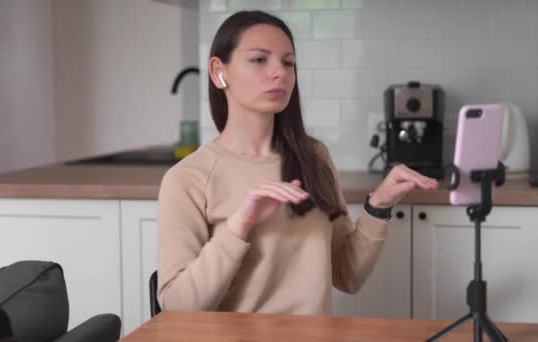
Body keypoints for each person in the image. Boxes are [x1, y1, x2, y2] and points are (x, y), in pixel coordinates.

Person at [157, 10, 438, 315]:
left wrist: (379, 205)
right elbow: (178, 307)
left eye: (288, 62)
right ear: (218, 72)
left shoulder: (313, 157)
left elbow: (347, 274)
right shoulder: (188, 178)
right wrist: (241, 224)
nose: (280, 72)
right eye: (259, 60)